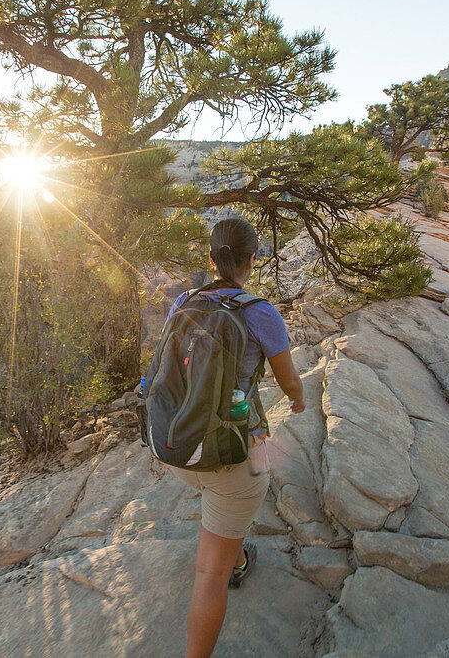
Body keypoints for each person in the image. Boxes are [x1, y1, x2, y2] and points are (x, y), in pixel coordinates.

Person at [163, 217, 306, 658]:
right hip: (232, 455)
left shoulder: (183, 302)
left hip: (178, 446)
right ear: (251, 260)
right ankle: (231, 558)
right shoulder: (260, 312)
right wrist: (299, 401)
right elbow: (289, 382)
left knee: (230, 499)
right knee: (210, 574)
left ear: (211, 260)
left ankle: (237, 549)